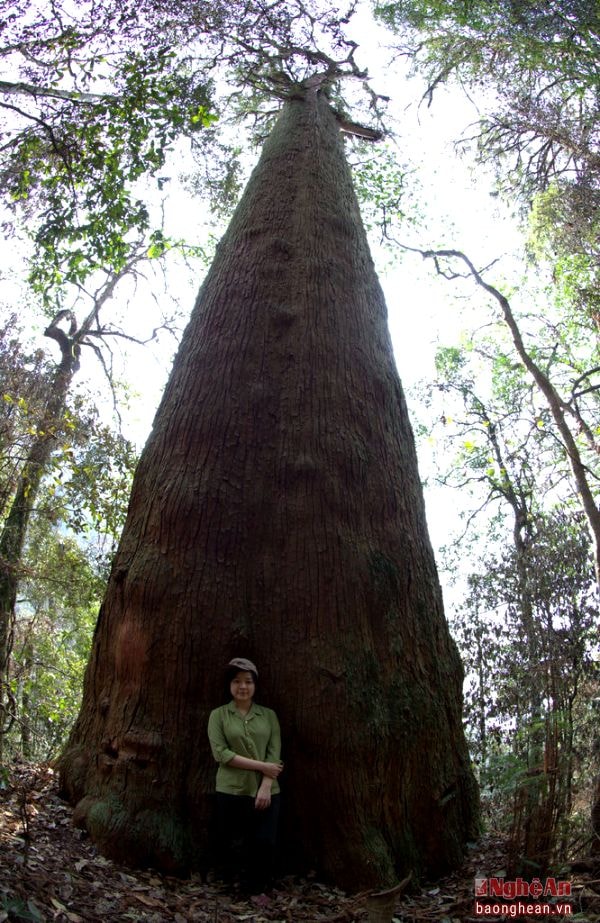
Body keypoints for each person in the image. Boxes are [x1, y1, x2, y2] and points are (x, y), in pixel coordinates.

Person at [207, 657, 283, 893]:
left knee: (264, 841)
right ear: (229, 685)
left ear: (255, 685)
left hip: (266, 789)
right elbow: (221, 754)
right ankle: (231, 886)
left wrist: (266, 785)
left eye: (248, 681)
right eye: (237, 681)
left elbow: (274, 753)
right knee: (231, 841)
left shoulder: (268, 715)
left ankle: (258, 888)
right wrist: (262, 767)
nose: (243, 686)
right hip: (231, 789)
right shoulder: (218, 715)